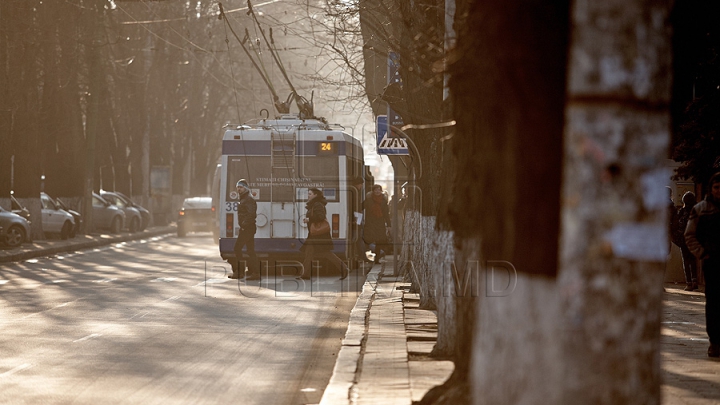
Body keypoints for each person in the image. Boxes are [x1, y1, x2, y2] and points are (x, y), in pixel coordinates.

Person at [685, 173, 720, 358]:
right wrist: (702, 253)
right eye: (716, 187)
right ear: (711, 189)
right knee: (714, 302)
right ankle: (714, 341)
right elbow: (689, 235)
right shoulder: (701, 209)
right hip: (712, 262)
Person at [299, 188, 349, 280]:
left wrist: (309, 219)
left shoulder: (317, 204)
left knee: (326, 253)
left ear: (315, 195)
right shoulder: (315, 204)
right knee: (308, 253)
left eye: (310, 194)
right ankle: (305, 274)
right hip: (314, 235)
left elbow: (321, 217)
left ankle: (344, 268)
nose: (308, 195)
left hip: (319, 235)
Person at [231, 179, 260, 280]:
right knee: (250, 250)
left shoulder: (248, 199)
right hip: (247, 228)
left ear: (246, 188)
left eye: (241, 187)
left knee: (237, 248)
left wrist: (243, 225)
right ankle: (254, 272)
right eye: (238, 187)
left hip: (247, 228)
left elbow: (251, 214)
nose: (239, 189)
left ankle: (239, 272)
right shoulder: (244, 198)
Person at [673, 191, 698, 291]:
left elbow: (677, 224)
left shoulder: (682, 211)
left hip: (684, 239)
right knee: (693, 260)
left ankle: (688, 283)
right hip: (694, 239)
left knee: (686, 261)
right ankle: (695, 281)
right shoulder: (697, 210)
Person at [363, 184, 392, 263]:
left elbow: (386, 214)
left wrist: (389, 225)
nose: (377, 191)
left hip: (380, 223)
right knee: (369, 240)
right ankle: (370, 255)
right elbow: (361, 207)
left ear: (381, 191)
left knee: (379, 241)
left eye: (379, 189)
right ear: (373, 191)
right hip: (370, 223)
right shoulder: (368, 200)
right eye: (375, 190)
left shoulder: (383, 201)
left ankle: (377, 258)